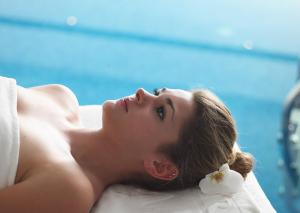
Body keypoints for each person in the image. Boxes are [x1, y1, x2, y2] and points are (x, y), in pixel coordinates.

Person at [0, 76, 253, 212]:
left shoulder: (69, 191)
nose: (143, 93)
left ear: (160, 166)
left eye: (161, 112)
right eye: (158, 92)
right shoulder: (60, 97)